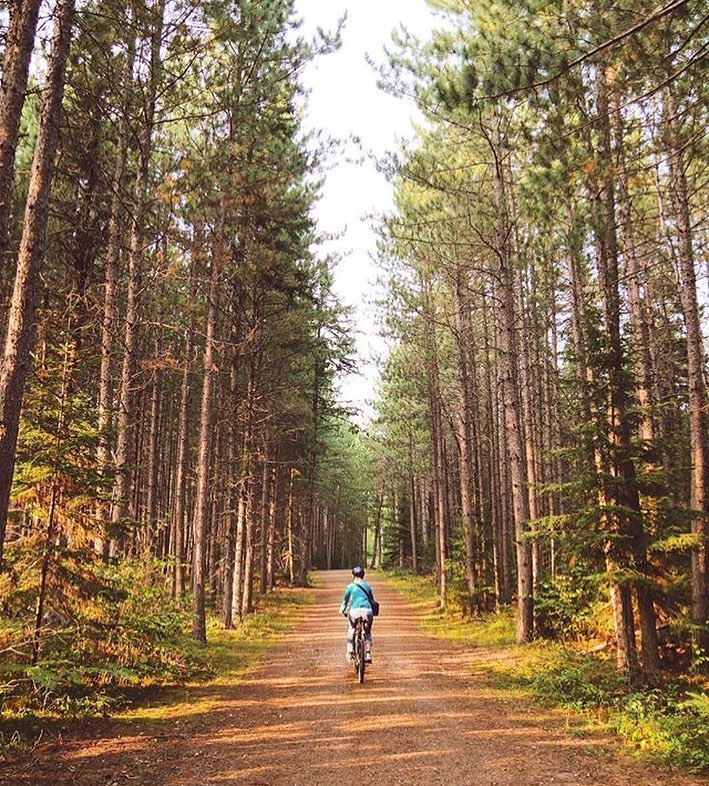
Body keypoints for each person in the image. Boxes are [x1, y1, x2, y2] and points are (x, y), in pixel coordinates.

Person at [339, 565, 376, 663]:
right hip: (367, 612)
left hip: (354, 612)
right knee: (367, 633)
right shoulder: (367, 586)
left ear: (353, 576)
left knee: (351, 629)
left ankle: (350, 652)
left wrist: (342, 610)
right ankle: (368, 653)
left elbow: (345, 601)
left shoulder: (350, 587)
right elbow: (372, 600)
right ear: (363, 575)